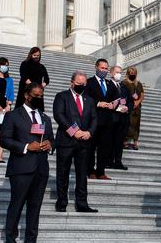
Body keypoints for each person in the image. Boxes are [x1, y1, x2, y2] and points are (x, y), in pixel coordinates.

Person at [1, 82, 54, 243]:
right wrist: (26, 146)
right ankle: (10, 239)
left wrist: (50, 144)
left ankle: (31, 240)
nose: (38, 98)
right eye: (36, 95)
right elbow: (4, 140)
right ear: (26, 95)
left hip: (41, 168)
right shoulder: (13, 115)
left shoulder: (44, 117)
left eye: (41, 96)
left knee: (35, 207)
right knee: (16, 205)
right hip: (21, 168)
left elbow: (52, 138)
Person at [52, 71, 98, 213]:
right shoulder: (62, 96)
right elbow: (59, 115)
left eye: (83, 84)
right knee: (63, 173)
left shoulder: (89, 100)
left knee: (82, 173)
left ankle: (82, 203)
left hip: (84, 143)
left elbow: (94, 118)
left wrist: (89, 132)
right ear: (72, 83)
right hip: (66, 141)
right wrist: (74, 131)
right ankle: (61, 202)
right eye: (78, 84)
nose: (81, 86)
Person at [85, 58, 116, 180]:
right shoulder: (89, 82)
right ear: (96, 68)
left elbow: (117, 98)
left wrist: (115, 104)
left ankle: (101, 171)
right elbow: (86, 98)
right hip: (93, 119)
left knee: (105, 147)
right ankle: (90, 170)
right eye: (102, 68)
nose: (104, 70)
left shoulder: (110, 84)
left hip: (107, 120)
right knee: (91, 147)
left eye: (106, 68)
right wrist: (98, 103)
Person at [107, 65, 133, 170]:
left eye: (120, 72)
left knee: (119, 141)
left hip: (123, 119)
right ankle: (108, 161)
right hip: (112, 118)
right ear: (112, 73)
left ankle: (118, 161)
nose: (119, 74)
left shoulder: (124, 86)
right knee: (110, 141)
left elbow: (131, 101)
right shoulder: (107, 85)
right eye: (117, 72)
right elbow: (108, 100)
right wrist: (118, 107)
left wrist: (127, 107)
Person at [123, 66, 145, 150]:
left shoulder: (138, 83)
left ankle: (135, 142)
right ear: (128, 74)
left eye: (134, 74)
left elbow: (142, 95)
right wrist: (131, 103)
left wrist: (138, 101)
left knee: (136, 124)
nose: (133, 75)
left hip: (137, 108)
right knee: (128, 124)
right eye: (131, 74)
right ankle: (125, 141)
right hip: (128, 107)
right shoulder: (124, 83)